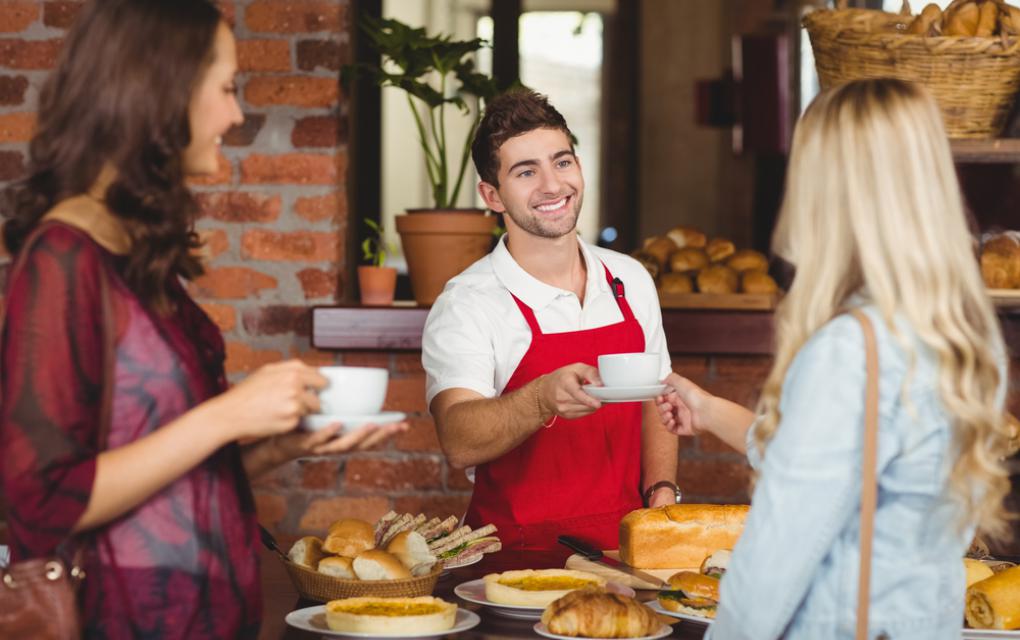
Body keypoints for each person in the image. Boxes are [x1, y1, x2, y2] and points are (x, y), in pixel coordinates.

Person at [0, 1, 406, 637]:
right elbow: (41, 500)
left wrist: (274, 446)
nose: (236, 113)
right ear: (160, 92)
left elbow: (170, 480)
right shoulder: (62, 258)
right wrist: (228, 413)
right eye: (225, 89)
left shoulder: (132, 255)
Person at [656, 78, 1011, 640]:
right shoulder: (960, 336)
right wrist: (707, 410)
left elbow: (776, 556)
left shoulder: (851, 349)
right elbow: (853, 469)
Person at [422, 89, 679, 551]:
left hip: (627, 558)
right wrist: (542, 397)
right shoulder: (469, 302)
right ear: (492, 195)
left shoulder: (630, 279)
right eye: (526, 172)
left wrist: (662, 490)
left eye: (562, 162)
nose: (553, 185)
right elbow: (458, 438)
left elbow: (658, 395)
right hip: (513, 566)